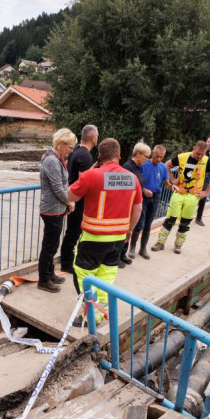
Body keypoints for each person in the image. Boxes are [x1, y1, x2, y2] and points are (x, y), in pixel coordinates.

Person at [67, 138, 142, 324]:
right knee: (106, 276)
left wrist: (89, 174)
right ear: (119, 156)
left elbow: (71, 195)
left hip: (94, 237)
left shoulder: (93, 175)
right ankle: (101, 313)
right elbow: (138, 208)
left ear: (99, 156)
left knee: (83, 275)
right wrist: (129, 231)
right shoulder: (132, 178)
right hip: (118, 238)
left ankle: (91, 315)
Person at [152, 140, 210, 254]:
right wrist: (172, 180)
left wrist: (206, 192)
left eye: (202, 154)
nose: (199, 156)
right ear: (194, 148)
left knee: (185, 222)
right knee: (170, 219)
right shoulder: (182, 157)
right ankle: (160, 242)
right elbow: (167, 165)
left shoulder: (206, 161)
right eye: (198, 153)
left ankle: (178, 245)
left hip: (193, 196)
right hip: (179, 193)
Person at [37, 128, 76, 293]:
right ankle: (43, 279)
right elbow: (58, 188)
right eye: (70, 147)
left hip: (56, 208)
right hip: (52, 209)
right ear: (61, 144)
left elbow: (61, 186)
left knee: (53, 244)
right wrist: (70, 202)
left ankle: (50, 273)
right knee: (50, 245)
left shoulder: (55, 158)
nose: (71, 150)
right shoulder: (52, 161)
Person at [60, 125, 98, 274]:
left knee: (71, 232)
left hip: (72, 195)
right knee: (73, 232)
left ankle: (66, 260)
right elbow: (84, 181)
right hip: (78, 199)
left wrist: (93, 168)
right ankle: (66, 263)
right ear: (93, 138)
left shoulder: (76, 150)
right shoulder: (86, 155)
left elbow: (74, 171)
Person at [130, 144, 170, 260]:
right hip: (143, 196)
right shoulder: (144, 164)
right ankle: (132, 248)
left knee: (148, 225)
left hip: (155, 197)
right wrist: (143, 190)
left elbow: (166, 181)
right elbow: (137, 180)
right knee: (139, 224)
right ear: (152, 154)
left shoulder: (163, 167)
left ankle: (143, 249)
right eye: (157, 156)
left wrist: (171, 185)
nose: (158, 159)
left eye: (161, 157)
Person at [117, 142, 150, 267]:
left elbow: (138, 184)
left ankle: (123, 254)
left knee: (131, 228)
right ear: (138, 154)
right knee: (124, 230)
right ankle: (116, 256)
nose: (147, 160)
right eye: (146, 157)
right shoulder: (127, 167)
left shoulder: (138, 167)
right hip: (127, 205)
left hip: (135, 203)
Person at [195, 135, 210, 225]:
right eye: (208, 141)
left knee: (203, 197)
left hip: (205, 177)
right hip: (195, 176)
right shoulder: (201, 150)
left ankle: (199, 218)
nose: (209, 143)